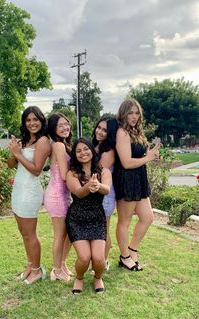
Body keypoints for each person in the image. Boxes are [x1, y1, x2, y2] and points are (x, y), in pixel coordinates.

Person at [113, 98, 161, 271]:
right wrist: (147, 158)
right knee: (124, 221)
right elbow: (125, 162)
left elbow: (140, 156)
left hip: (139, 179)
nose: (134, 116)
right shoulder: (122, 133)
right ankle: (124, 257)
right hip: (127, 179)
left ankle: (131, 250)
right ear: (123, 114)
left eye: (136, 112)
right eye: (130, 113)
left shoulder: (135, 131)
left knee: (147, 217)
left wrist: (150, 154)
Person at [7, 106, 51, 284]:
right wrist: (13, 152)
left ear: (41, 121)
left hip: (30, 192)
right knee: (23, 232)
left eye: (35, 119)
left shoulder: (43, 142)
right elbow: (11, 165)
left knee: (30, 233)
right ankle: (30, 265)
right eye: (28, 120)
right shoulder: (23, 141)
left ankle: (37, 269)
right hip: (18, 189)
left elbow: (36, 170)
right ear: (24, 123)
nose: (32, 123)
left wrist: (19, 154)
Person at [66, 138, 112, 294]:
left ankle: (98, 277)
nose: (83, 153)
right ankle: (79, 278)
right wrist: (88, 185)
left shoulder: (103, 171)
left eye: (86, 149)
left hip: (97, 219)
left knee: (98, 259)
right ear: (75, 155)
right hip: (77, 219)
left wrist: (98, 185)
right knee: (84, 258)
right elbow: (79, 193)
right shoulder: (72, 173)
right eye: (78, 151)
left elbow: (106, 189)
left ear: (92, 151)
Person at [43, 113, 73, 281]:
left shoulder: (63, 145)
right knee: (60, 235)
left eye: (66, 124)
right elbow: (63, 174)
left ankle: (62, 263)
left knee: (69, 233)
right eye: (60, 125)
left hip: (63, 194)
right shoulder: (58, 146)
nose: (65, 127)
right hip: (57, 195)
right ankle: (56, 269)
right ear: (54, 128)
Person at [92, 117, 119, 271]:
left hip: (105, 195)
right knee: (97, 229)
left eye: (104, 130)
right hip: (97, 193)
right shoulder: (97, 146)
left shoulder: (108, 151)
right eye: (99, 127)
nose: (100, 132)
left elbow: (99, 172)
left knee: (103, 229)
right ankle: (97, 260)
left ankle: (104, 260)